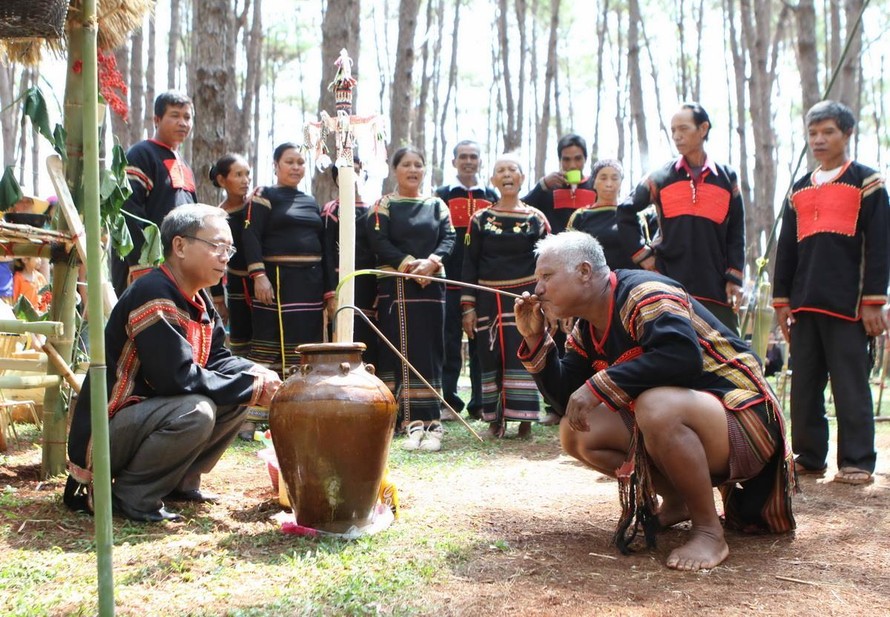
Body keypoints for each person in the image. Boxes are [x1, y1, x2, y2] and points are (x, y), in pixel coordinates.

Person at [514, 231, 795, 571]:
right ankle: (678, 500)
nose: (538, 289)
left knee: (656, 405)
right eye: (537, 279)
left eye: (546, 276)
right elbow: (568, 402)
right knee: (576, 432)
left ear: (585, 272)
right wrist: (535, 340)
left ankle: (709, 531)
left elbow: (681, 358)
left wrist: (601, 384)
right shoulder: (586, 328)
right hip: (697, 421)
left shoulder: (645, 293)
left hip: (746, 418)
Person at [64, 204, 282, 522]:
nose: (225, 257)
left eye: (229, 249)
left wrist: (257, 374)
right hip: (107, 433)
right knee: (197, 410)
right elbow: (175, 379)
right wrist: (251, 384)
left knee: (236, 397)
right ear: (179, 246)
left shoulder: (198, 298)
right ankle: (132, 495)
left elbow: (218, 358)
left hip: (146, 419)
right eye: (217, 246)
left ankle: (180, 481)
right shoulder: (155, 294)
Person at [773, 100, 890, 486]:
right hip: (804, 304)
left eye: (828, 132)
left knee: (850, 384)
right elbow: (786, 248)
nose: (819, 140)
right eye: (813, 133)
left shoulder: (868, 183)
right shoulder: (799, 190)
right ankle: (809, 456)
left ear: (847, 134)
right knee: (804, 385)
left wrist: (874, 301)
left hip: (849, 306)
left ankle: (857, 460)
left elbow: (880, 246)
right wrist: (782, 301)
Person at [617, 102, 745, 331]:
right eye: (673, 130)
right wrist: (643, 256)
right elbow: (625, 210)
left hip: (714, 287)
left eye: (683, 129)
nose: (676, 136)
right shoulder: (661, 177)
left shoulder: (727, 178)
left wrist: (734, 278)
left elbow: (736, 230)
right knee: (670, 353)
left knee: (727, 356)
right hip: (668, 283)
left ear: (703, 128)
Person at [367, 146, 455, 451]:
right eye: (406, 164)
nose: (413, 170)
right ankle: (409, 422)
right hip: (397, 284)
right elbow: (378, 241)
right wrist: (408, 265)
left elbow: (449, 237)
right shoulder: (384, 205)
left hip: (431, 283)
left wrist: (431, 262)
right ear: (395, 170)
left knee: (431, 349)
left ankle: (432, 421)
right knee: (401, 349)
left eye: (419, 164)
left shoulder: (437, 205)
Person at [242, 144, 334, 420]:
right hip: (277, 283)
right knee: (269, 342)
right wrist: (259, 275)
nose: (296, 167)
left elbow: (325, 248)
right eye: (290, 162)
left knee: (305, 343)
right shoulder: (263, 195)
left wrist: (329, 293)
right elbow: (250, 236)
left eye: (300, 162)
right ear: (276, 165)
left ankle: (302, 406)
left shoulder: (310, 201)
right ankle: (260, 412)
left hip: (310, 284)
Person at [461, 154, 549, 438]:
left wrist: (547, 301)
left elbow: (547, 262)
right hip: (489, 297)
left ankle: (525, 419)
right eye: (501, 170)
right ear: (493, 181)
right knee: (490, 355)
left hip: (525, 298)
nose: (507, 174)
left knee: (525, 353)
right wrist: (468, 307)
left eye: (513, 169)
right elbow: (469, 263)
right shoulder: (480, 219)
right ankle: (494, 420)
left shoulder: (536, 219)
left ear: (522, 178)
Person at [435, 140, 498, 420]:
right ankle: (448, 400)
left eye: (474, 156)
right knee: (449, 342)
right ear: (454, 162)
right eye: (463, 157)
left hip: (480, 282)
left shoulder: (492, 195)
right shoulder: (441, 195)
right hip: (449, 280)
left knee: (480, 342)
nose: (468, 161)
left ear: (480, 161)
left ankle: (481, 402)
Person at [112, 91, 196, 296]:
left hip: (177, 269)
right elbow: (128, 212)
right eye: (175, 115)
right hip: (145, 268)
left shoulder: (184, 165)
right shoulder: (141, 154)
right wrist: (142, 265)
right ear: (157, 120)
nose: (183, 123)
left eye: (187, 117)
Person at [322, 156, 379, 367]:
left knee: (369, 338)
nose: (352, 176)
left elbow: (378, 252)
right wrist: (330, 294)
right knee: (340, 337)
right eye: (346, 171)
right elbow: (327, 254)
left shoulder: (373, 209)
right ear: (337, 178)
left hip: (368, 287)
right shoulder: (331, 211)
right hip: (340, 286)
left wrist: (380, 291)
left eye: (356, 170)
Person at [208, 153, 253, 358]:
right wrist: (218, 300)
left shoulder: (256, 206)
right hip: (236, 286)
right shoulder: (217, 217)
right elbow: (214, 256)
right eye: (238, 175)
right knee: (241, 343)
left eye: (247, 174)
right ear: (221, 180)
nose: (245, 180)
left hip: (264, 284)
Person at [566, 159, 636, 270]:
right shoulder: (581, 216)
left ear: (621, 183)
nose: (609, 184)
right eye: (603, 178)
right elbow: (568, 253)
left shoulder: (631, 214)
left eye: (614, 178)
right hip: (591, 281)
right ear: (594, 182)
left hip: (629, 280)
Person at [522, 133, 597, 234]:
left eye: (578, 159)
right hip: (554, 248)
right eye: (566, 159)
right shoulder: (549, 187)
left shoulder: (595, 186)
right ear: (560, 160)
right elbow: (521, 209)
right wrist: (542, 185)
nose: (572, 165)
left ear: (585, 159)